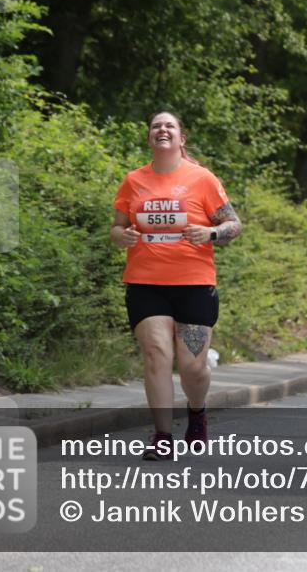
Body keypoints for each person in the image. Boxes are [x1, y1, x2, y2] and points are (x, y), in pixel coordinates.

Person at [111, 111, 242, 460]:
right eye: (156, 125)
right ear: (149, 138)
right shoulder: (133, 181)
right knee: (156, 355)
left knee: (192, 366)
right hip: (145, 283)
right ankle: (162, 435)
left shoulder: (202, 179)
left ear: (182, 139)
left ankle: (197, 412)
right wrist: (121, 236)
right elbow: (117, 228)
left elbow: (233, 225)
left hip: (194, 285)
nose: (162, 129)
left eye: (170, 125)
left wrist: (211, 233)